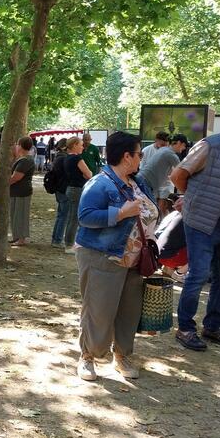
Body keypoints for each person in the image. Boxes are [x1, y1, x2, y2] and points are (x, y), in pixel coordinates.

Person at [75, 131, 158, 381]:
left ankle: (122, 355)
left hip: (134, 261)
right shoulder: (99, 183)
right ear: (126, 156)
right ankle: (88, 357)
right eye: (138, 154)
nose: (141, 158)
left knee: (128, 312)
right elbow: (85, 217)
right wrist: (120, 213)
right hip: (103, 257)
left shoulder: (139, 181)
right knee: (98, 311)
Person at [171, 133, 220, 351]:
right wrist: (190, 197)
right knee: (199, 273)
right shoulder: (209, 146)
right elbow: (177, 175)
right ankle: (185, 327)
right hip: (201, 220)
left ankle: (212, 326)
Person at [140, 133, 188, 216]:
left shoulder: (164, 150)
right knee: (148, 210)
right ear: (179, 143)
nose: (184, 148)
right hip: (147, 183)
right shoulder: (171, 154)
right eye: (184, 145)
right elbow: (182, 173)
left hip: (144, 180)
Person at [63, 136, 93, 253]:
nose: (82, 147)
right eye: (81, 145)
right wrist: (85, 174)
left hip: (71, 188)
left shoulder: (67, 158)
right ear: (74, 145)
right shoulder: (77, 159)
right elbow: (89, 174)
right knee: (74, 218)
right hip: (77, 189)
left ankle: (71, 243)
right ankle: (69, 245)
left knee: (72, 217)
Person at [8, 136, 35, 246]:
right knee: (15, 214)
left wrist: (3, 184)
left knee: (21, 214)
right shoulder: (22, 159)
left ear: (21, 146)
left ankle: (21, 238)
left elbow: (16, 177)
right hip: (16, 191)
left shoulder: (26, 160)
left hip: (22, 191)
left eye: (17, 144)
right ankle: (17, 236)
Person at [50, 138, 70, 249]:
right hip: (63, 189)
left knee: (61, 215)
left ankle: (55, 238)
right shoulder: (64, 159)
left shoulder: (58, 157)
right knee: (63, 216)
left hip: (59, 189)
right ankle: (57, 240)